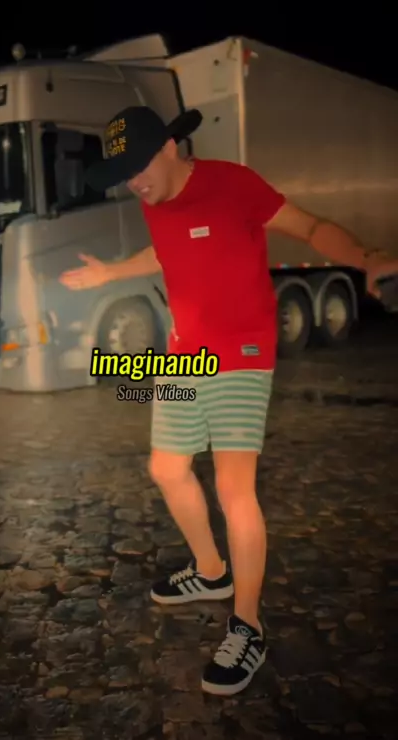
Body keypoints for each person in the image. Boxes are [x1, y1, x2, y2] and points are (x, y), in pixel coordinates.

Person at [60, 105, 398, 696]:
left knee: (233, 488)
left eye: (138, 167)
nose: (134, 183)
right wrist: (110, 274)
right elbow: (165, 252)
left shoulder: (233, 184)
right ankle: (211, 571)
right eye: (123, 174)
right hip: (184, 354)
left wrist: (365, 258)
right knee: (167, 469)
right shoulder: (153, 198)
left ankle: (248, 627)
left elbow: (311, 228)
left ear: (169, 147)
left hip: (241, 351)